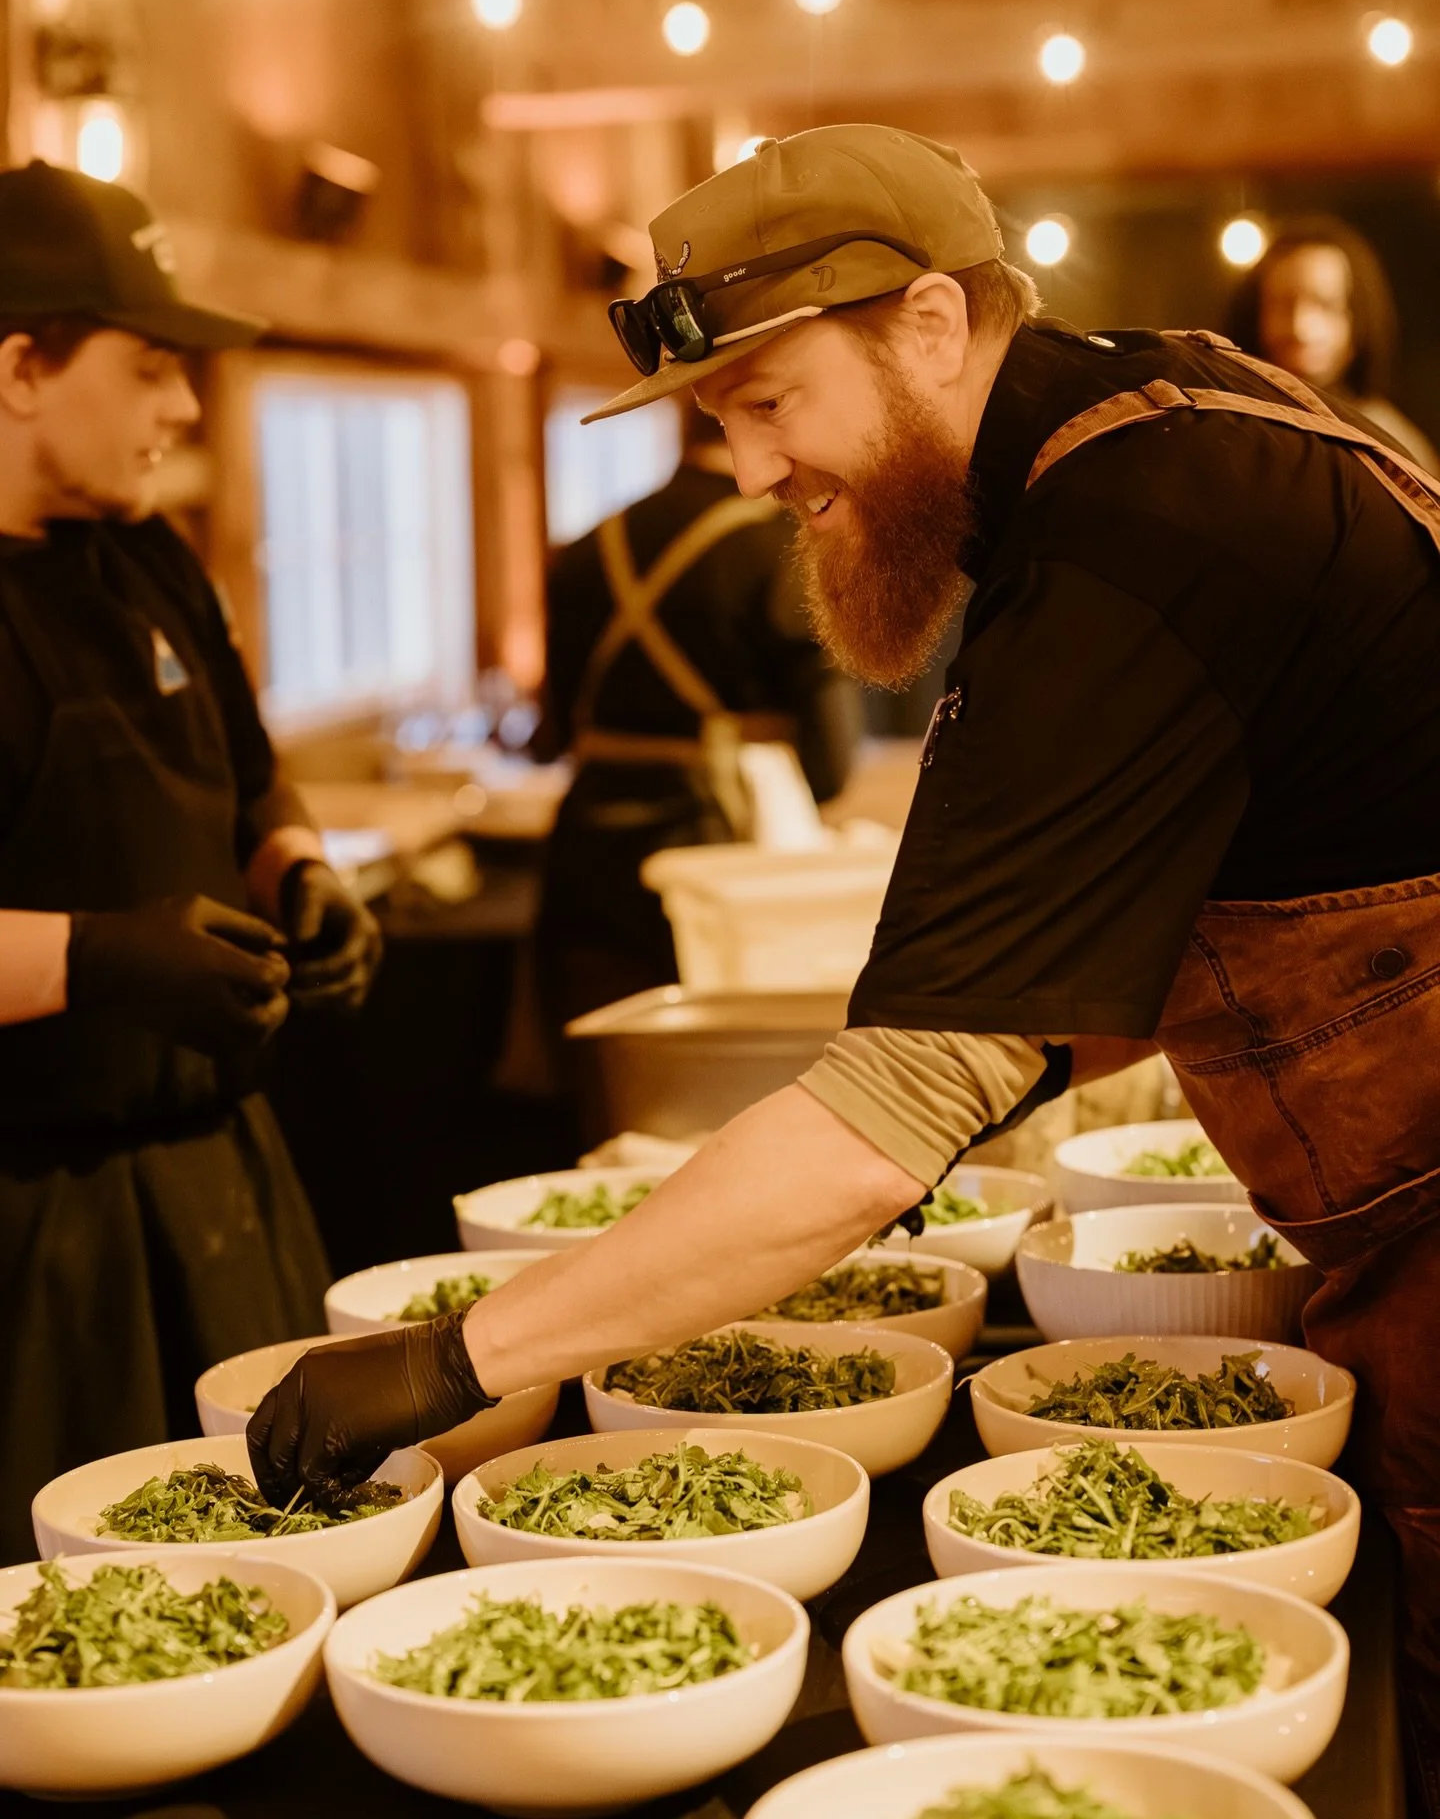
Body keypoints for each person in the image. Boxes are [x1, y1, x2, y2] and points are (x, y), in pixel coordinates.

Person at [249, 127, 1440, 1808]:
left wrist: (462, 1359)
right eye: (716, 423)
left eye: (770, 403)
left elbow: (898, 1108)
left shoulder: (1124, 542)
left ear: (934, 326)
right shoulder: (1154, 419)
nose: (746, 475)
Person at [0, 160, 381, 1563]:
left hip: (228, 1179)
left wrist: (298, 868)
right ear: (21, 366)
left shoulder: (149, 555)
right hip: (37, 1227)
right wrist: (100, 956)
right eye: (153, 365)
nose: (182, 408)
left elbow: (250, 758)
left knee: (285, 1550)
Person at [536, 402, 861, 1027]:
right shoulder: (784, 551)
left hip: (586, 859)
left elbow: (550, 734)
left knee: (606, 1071)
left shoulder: (584, 551)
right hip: (719, 865)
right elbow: (830, 770)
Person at [1224, 213, 1439, 469]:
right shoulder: (1226, 429)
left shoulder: (1394, 448)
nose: (1299, 327)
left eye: (1325, 304)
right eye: (1282, 303)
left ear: (1358, 318)